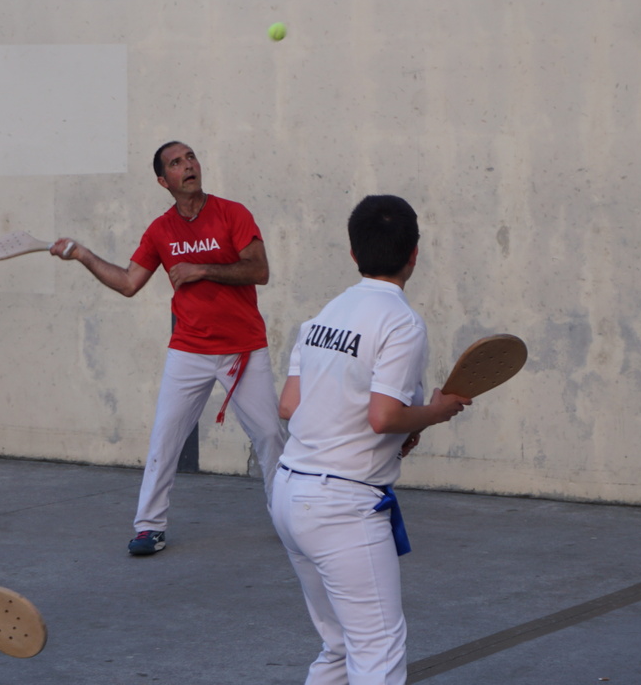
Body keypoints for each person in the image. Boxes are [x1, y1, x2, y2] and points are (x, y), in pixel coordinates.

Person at [270, 195, 471, 685]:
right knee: (377, 654)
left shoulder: (323, 315)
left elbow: (291, 406)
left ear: (353, 253)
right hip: (342, 508)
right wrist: (437, 412)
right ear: (415, 254)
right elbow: (383, 416)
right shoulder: (401, 322)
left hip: (290, 496)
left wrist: (402, 427)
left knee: (341, 648)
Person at [51, 141, 286, 556]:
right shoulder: (160, 230)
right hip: (189, 350)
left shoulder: (233, 213)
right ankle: (149, 527)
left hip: (243, 349)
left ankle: (288, 518)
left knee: (269, 435)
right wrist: (83, 255)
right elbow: (129, 283)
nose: (188, 165)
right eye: (176, 163)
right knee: (165, 439)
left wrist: (202, 269)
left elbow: (259, 269)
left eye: (191, 157)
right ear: (164, 181)